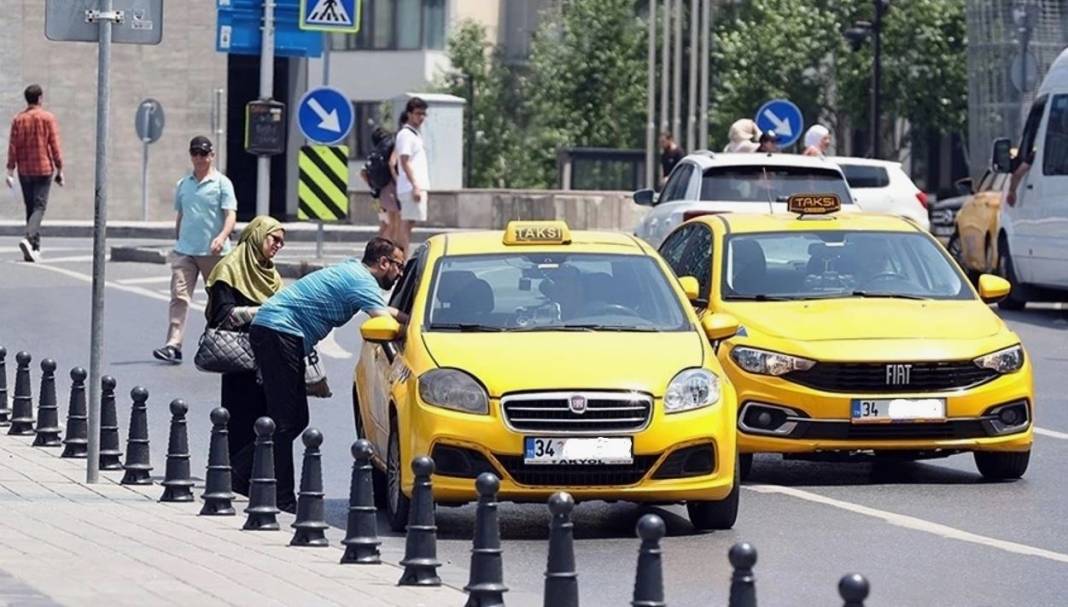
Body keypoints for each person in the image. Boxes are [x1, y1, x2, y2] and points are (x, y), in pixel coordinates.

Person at [249, 237, 408, 512]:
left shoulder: (356, 274)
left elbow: (390, 311)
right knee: (286, 421)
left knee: (294, 419)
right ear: (384, 263)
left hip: (280, 333)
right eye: (399, 266)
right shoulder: (361, 281)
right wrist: (415, 331)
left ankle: (242, 475)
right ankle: (280, 497)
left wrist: (412, 318)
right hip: (279, 332)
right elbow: (384, 320)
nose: (401, 274)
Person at [203, 216, 285, 496]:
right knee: (238, 420)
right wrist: (259, 313)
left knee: (267, 420)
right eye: (274, 239)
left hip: (267, 358)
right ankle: (233, 479)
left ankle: (254, 480)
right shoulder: (229, 268)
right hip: (238, 360)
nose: (278, 246)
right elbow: (222, 315)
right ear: (257, 236)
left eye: (281, 242)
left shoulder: (271, 274)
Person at [153, 136, 237, 364]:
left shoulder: (222, 184)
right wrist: (178, 239)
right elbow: (181, 214)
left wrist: (221, 236)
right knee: (179, 296)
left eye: (203, 153)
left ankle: (219, 342)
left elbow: (230, 215)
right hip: (186, 251)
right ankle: (173, 345)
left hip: (214, 253)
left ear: (211, 155)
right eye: (195, 153)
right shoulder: (184, 184)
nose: (199, 158)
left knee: (218, 300)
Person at [5, 84, 64, 263]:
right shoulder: (47, 118)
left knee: (31, 208)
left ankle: (33, 249)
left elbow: (13, 146)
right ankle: (29, 239)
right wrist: (60, 168)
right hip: (44, 169)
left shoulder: (18, 119)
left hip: (25, 170)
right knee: (39, 207)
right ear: (40, 98)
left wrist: (10, 170)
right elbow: (54, 145)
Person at [395, 97, 430, 253]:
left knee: (410, 222)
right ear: (409, 114)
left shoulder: (415, 134)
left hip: (415, 185)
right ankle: (402, 258)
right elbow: (404, 161)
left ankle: (403, 255)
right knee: (406, 223)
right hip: (410, 186)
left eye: (423, 114)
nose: (421, 117)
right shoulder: (406, 134)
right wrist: (415, 185)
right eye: (417, 113)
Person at [360, 126, 400, 241]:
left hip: (375, 196)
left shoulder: (374, 154)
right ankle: (385, 247)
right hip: (388, 193)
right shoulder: (387, 151)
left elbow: (363, 173)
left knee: (383, 223)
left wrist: (372, 185)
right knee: (392, 224)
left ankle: (378, 245)